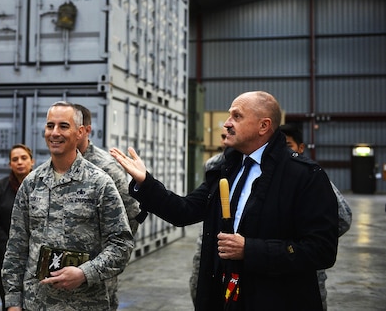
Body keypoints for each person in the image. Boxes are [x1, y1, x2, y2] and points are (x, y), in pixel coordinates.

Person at [110, 91, 339, 311]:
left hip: (277, 299)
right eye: (229, 116)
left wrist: (250, 250)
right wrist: (146, 182)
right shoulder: (226, 169)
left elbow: (321, 250)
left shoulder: (304, 176)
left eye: (237, 116)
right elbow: (184, 211)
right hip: (227, 295)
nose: (227, 123)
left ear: (263, 126)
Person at [1, 101, 134, 310]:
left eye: (63, 126)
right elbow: (17, 247)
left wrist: (85, 273)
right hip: (36, 303)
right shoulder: (32, 183)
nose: (55, 133)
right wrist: (12, 302)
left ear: (80, 132)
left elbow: (122, 244)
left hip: (84, 303)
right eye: (50, 126)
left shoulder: (100, 182)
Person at [74, 103, 141, 310]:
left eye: (68, 126)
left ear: (86, 130)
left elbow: (131, 212)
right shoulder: (62, 163)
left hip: (97, 267)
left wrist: (111, 257)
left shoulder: (105, 167)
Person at [279, 123, 352, 311]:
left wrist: (307, 242)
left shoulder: (310, 175)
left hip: (307, 269)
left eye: (288, 146)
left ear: (301, 148)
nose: (283, 151)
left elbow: (343, 217)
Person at [0, 144, 35, 311]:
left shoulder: (39, 186)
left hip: (34, 255)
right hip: (4, 254)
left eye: (24, 158)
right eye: (15, 159)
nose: (19, 162)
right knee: (9, 302)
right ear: (10, 164)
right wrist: (10, 247)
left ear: (32, 162)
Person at [190, 130, 227, 304]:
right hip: (209, 234)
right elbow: (189, 207)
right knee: (198, 287)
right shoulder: (213, 165)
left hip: (235, 243)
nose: (225, 139)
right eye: (222, 136)